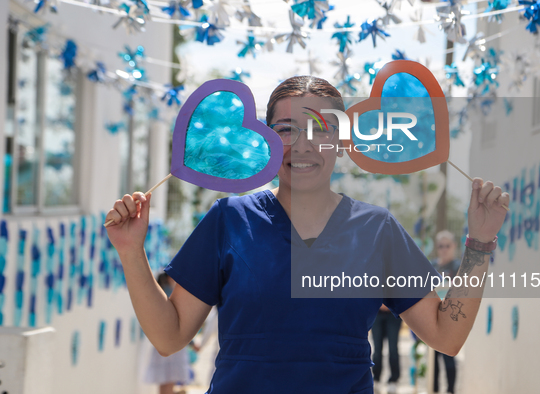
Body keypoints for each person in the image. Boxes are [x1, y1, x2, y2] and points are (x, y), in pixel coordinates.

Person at [105, 76, 510, 394]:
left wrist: (479, 244)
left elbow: (447, 335)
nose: (303, 145)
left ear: (341, 141)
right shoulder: (230, 219)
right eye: (286, 129)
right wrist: (130, 251)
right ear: (265, 139)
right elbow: (168, 336)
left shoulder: (378, 230)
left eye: (320, 129)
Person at [143, 272, 195, 394]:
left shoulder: (159, 293)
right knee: (169, 379)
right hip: (172, 340)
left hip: (160, 340)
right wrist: (191, 343)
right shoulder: (170, 293)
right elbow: (182, 320)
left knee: (164, 380)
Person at [431, 230, 461, 394]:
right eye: (440, 246)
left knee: (449, 357)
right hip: (432, 318)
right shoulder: (432, 265)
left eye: (447, 246)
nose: (444, 249)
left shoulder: (458, 267)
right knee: (432, 360)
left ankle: (450, 390)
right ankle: (433, 389)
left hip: (449, 320)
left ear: (454, 246)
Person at [371, 304, 402, 393]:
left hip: (394, 313)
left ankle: (393, 380)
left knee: (393, 349)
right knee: (377, 349)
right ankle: (376, 379)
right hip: (377, 312)